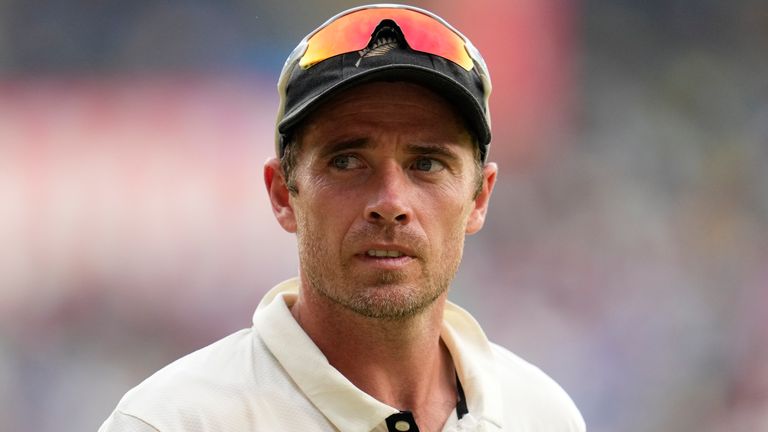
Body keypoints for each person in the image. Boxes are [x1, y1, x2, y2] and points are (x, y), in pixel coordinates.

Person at [99, 4, 585, 431]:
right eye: (347, 161)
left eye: (427, 164)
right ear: (283, 195)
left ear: (479, 197)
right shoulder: (172, 422)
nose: (390, 201)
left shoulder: (541, 415)